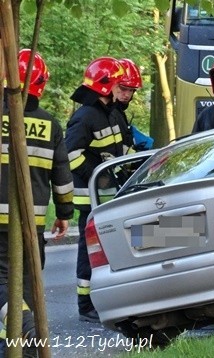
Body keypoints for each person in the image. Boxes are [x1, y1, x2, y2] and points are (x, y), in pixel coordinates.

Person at [0, 49, 74, 352]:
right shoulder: (51, 126)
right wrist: (65, 212)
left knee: (4, 286)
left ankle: (25, 330)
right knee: (26, 289)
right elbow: (63, 177)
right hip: (31, 226)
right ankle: (23, 349)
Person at [65, 57, 126, 323]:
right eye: (116, 84)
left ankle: (108, 297)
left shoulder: (110, 113)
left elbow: (118, 150)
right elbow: (70, 154)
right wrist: (96, 174)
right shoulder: (85, 116)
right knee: (87, 250)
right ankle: (85, 303)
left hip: (108, 196)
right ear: (105, 87)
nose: (119, 89)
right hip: (89, 197)